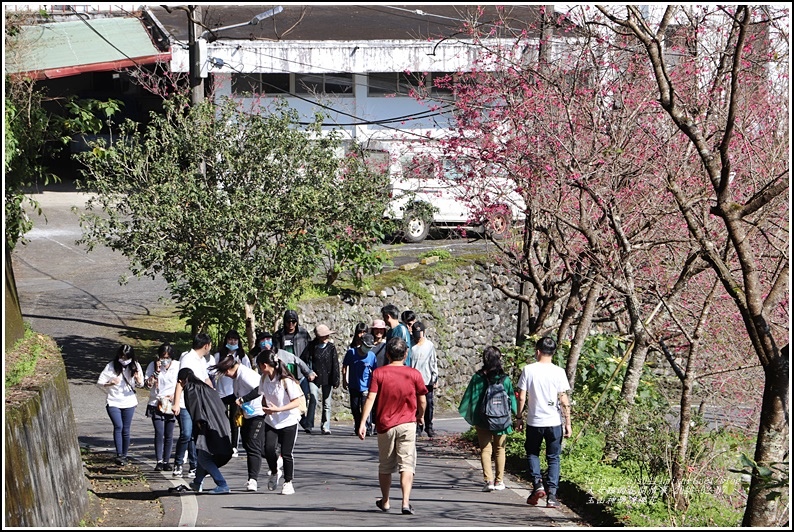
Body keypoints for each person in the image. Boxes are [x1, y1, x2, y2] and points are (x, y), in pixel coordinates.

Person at [358, 338, 427, 515]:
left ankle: (386, 501)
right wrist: (420, 414)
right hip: (407, 424)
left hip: (385, 425)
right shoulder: (414, 374)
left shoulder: (379, 373)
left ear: (387, 354)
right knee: (407, 464)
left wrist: (362, 422)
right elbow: (422, 399)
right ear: (406, 354)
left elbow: (370, 398)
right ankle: (405, 502)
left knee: (386, 465)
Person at [516, 336, 572, 509]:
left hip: (535, 421)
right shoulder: (559, 372)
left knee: (533, 453)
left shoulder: (528, 370)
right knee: (554, 458)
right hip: (554, 422)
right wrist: (568, 423)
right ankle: (552, 496)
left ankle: (538, 483)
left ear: (537, 351)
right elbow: (563, 399)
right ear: (553, 353)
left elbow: (522, 397)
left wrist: (519, 417)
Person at [238, 349, 305, 495]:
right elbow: (263, 394)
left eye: (260, 365)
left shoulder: (286, 380)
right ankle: (275, 472)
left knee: (286, 453)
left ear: (264, 365)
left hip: (288, 420)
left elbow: (297, 401)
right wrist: (266, 406)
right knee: (268, 449)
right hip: (272, 420)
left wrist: (279, 409)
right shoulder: (264, 378)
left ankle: (288, 482)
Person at [458, 346, 518, 492]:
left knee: (485, 449)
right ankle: (499, 481)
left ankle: (488, 481)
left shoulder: (477, 378)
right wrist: (518, 415)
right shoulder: (505, 379)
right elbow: (511, 399)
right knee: (500, 449)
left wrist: (474, 417)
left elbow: (469, 401)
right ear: (499, 359)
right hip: (502, 420)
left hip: (483, 419)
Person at [213, 353, 267, 491]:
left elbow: (259, 389)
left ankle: (252, 480)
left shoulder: (244, 374)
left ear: (231, 368)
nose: (226, 375)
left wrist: (244, 400)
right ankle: (275, 458)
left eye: (226, 373)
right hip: (247, 414)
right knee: (249, 445)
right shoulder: (237, 377)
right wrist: (218, 401)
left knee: (253, 446)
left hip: (258, 412)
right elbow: (236, 396)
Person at [176, 368, 233, 494]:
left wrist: (199, 424)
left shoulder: (190, 388)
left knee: (204, 458)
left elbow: (195, 409)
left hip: (206, 425)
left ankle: (222, 484)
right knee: (203, 455)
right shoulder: (206, 387)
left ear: (181, 381)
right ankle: (197, 483)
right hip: (220, 424)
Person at [171, 333, 215, 478]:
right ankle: (178, 463)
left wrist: (213, 392)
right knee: (186, 433)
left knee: (195, 435)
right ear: (206, 345)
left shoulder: (201, 360)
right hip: (185, 403)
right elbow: (180, 382)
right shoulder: (188, 359)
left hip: (198, 403)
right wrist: (176, 403)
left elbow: (206, 378)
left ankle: (194, 466)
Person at [97, 344, 144, 466]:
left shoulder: (135, 366)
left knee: (126, 429)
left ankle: (124, 455)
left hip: (129, 401)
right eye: (122, 357)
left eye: (126, 357)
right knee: (118, 426)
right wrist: (110, 383)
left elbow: (141, 384)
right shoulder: (111, 366)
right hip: (113, 401)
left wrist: (138, 379)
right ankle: (119, 454)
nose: (124, 359)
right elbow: (100, 382)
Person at [213, 329, 250, 458]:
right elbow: (212, 372)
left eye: (235, 339)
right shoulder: (219, 355)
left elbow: (248, 372)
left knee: (235, 420)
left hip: (235, 393)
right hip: (221, 392)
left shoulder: (242, 356)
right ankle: (223, 443)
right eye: (230, 339)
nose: (232, 341)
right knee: (222, 419)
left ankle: (234, 446)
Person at [144, 342, 180, 471]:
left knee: (169, 434)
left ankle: (166, 461)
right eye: (162, 357)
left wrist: (174, 396)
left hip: (170, 403)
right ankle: (159, 460)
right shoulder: (152, 366)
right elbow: (148, 384)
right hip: (156, 403)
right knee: (159, 432)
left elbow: (180, 383)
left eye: (167, 357)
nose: (165, 360)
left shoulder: (177, 366)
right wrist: (156, 372)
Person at [301, 324, 340, 435]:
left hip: (328, 377)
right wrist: (309, 371)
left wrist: (336, 379)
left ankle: (325, 426)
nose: (326, 337)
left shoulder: (331, 347)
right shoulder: (311, 346)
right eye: (323, 336)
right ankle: (309, 424)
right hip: (314, 377)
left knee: (327, 403)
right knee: (313, 399)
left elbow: (335, 364)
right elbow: (303, 361)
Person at [342, 332, 377, 436]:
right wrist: (344, 380)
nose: (368, 349)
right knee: (355, 408)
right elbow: (345, 366)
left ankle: (367, 427)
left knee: (366, 407)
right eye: (366, 346)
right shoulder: (351, 353)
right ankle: (358, 427)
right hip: (354, 385)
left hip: (366, 386)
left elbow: (374, 371)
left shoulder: (371, 356)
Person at [408, 321, 438, 438]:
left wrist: (434, 377)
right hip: (413, 380)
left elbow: (433, 362)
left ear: (423, 333)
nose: (417, 337)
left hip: (427, 379)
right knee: (415, 404)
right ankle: (418, 427)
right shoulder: (410, 345)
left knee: (429, 403)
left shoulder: (429, 345)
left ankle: (429, 427)